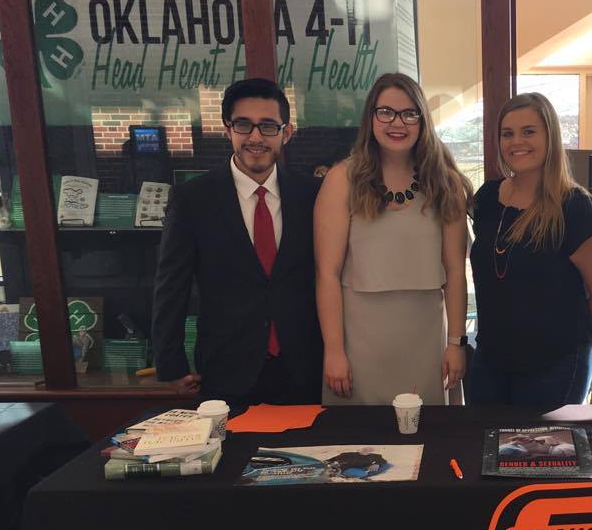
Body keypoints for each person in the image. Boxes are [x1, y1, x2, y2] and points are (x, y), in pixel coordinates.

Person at [152, 77, 323, 408]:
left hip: (304, 365)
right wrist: (171, 364)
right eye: (244, 125)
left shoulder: (312, 195)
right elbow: (172, 284)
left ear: (286, 133)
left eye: (268, 126)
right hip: (226, 368)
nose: (256, 137)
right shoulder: (194, 198)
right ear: (227, 129)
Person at [315, 73, 471, 405]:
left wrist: (456, 343)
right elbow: (327, 274)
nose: (396, 123)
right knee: (361, 448)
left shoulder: (445, 183)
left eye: (409, 113)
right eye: (385, 112)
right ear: (370, 117)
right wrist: (334, 350)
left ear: (422, 119)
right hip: (359, 343)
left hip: (427, 342)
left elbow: (456, 272)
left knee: (433, 442)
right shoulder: (342, 180)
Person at [466, 92, 592, 406]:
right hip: (490, 360)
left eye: (529, 131)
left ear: (550, 136)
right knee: (484, 448)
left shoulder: (575, 208)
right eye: (507, 133)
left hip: (555, 368)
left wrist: (571, 347)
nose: (516, 141)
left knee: (542, 453)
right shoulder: (488, 199)